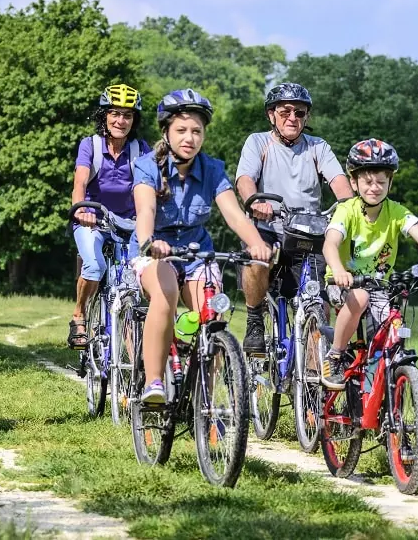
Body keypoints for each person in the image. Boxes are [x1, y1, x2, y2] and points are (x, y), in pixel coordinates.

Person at [131, 89, 272, 403]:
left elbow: (234, 214)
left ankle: (204, 402)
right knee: (165, 293)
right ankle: (153, 383)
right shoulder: (148, 166)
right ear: (166, 132)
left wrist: (257, 244)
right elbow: (145, 211)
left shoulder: (212, 169)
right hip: (155, 252)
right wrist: (149, 242)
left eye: (197, 131)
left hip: (196, 254)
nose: (189, 138)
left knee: (211, 316)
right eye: (181, 130)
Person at [320, 139, 418, 390]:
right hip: (342, 283)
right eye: (368, 181)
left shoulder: (396, 212)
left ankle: (381, 392)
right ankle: (336, 354)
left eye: (381, 182)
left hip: (379, 286)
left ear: (390, 183)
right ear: (354, 182)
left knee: (393, 326)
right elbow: (330, 244)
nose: (375, 187)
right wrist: (340, 271)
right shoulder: (347, 211)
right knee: (361, 297)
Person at [234, 82, 353, 353]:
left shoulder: (317, 147)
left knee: (319, 301)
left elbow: (339, 182)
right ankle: (254, 320)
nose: (292, 118)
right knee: (257, 257)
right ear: (271, 115)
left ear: (306, 117)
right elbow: (244, 180)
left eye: (299, 113)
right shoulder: (258, 142)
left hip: (309, 233)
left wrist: (348, 207)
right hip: (268, 226)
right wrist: (256, 201)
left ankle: (310, 380)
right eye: (285, 111)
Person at [67, 84, 151, 349]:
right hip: (93, 219)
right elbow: (80, 182)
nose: (121, 120)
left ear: (134, 120)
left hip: (130, 224)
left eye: (127, 115)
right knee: (94, 266)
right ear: (104, 116)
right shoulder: (89, 145)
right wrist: (81, 209)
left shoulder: (140, 149)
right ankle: (79, 315)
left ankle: (133, 359)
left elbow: (150, 186)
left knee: (133, 281)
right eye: (115, 113)